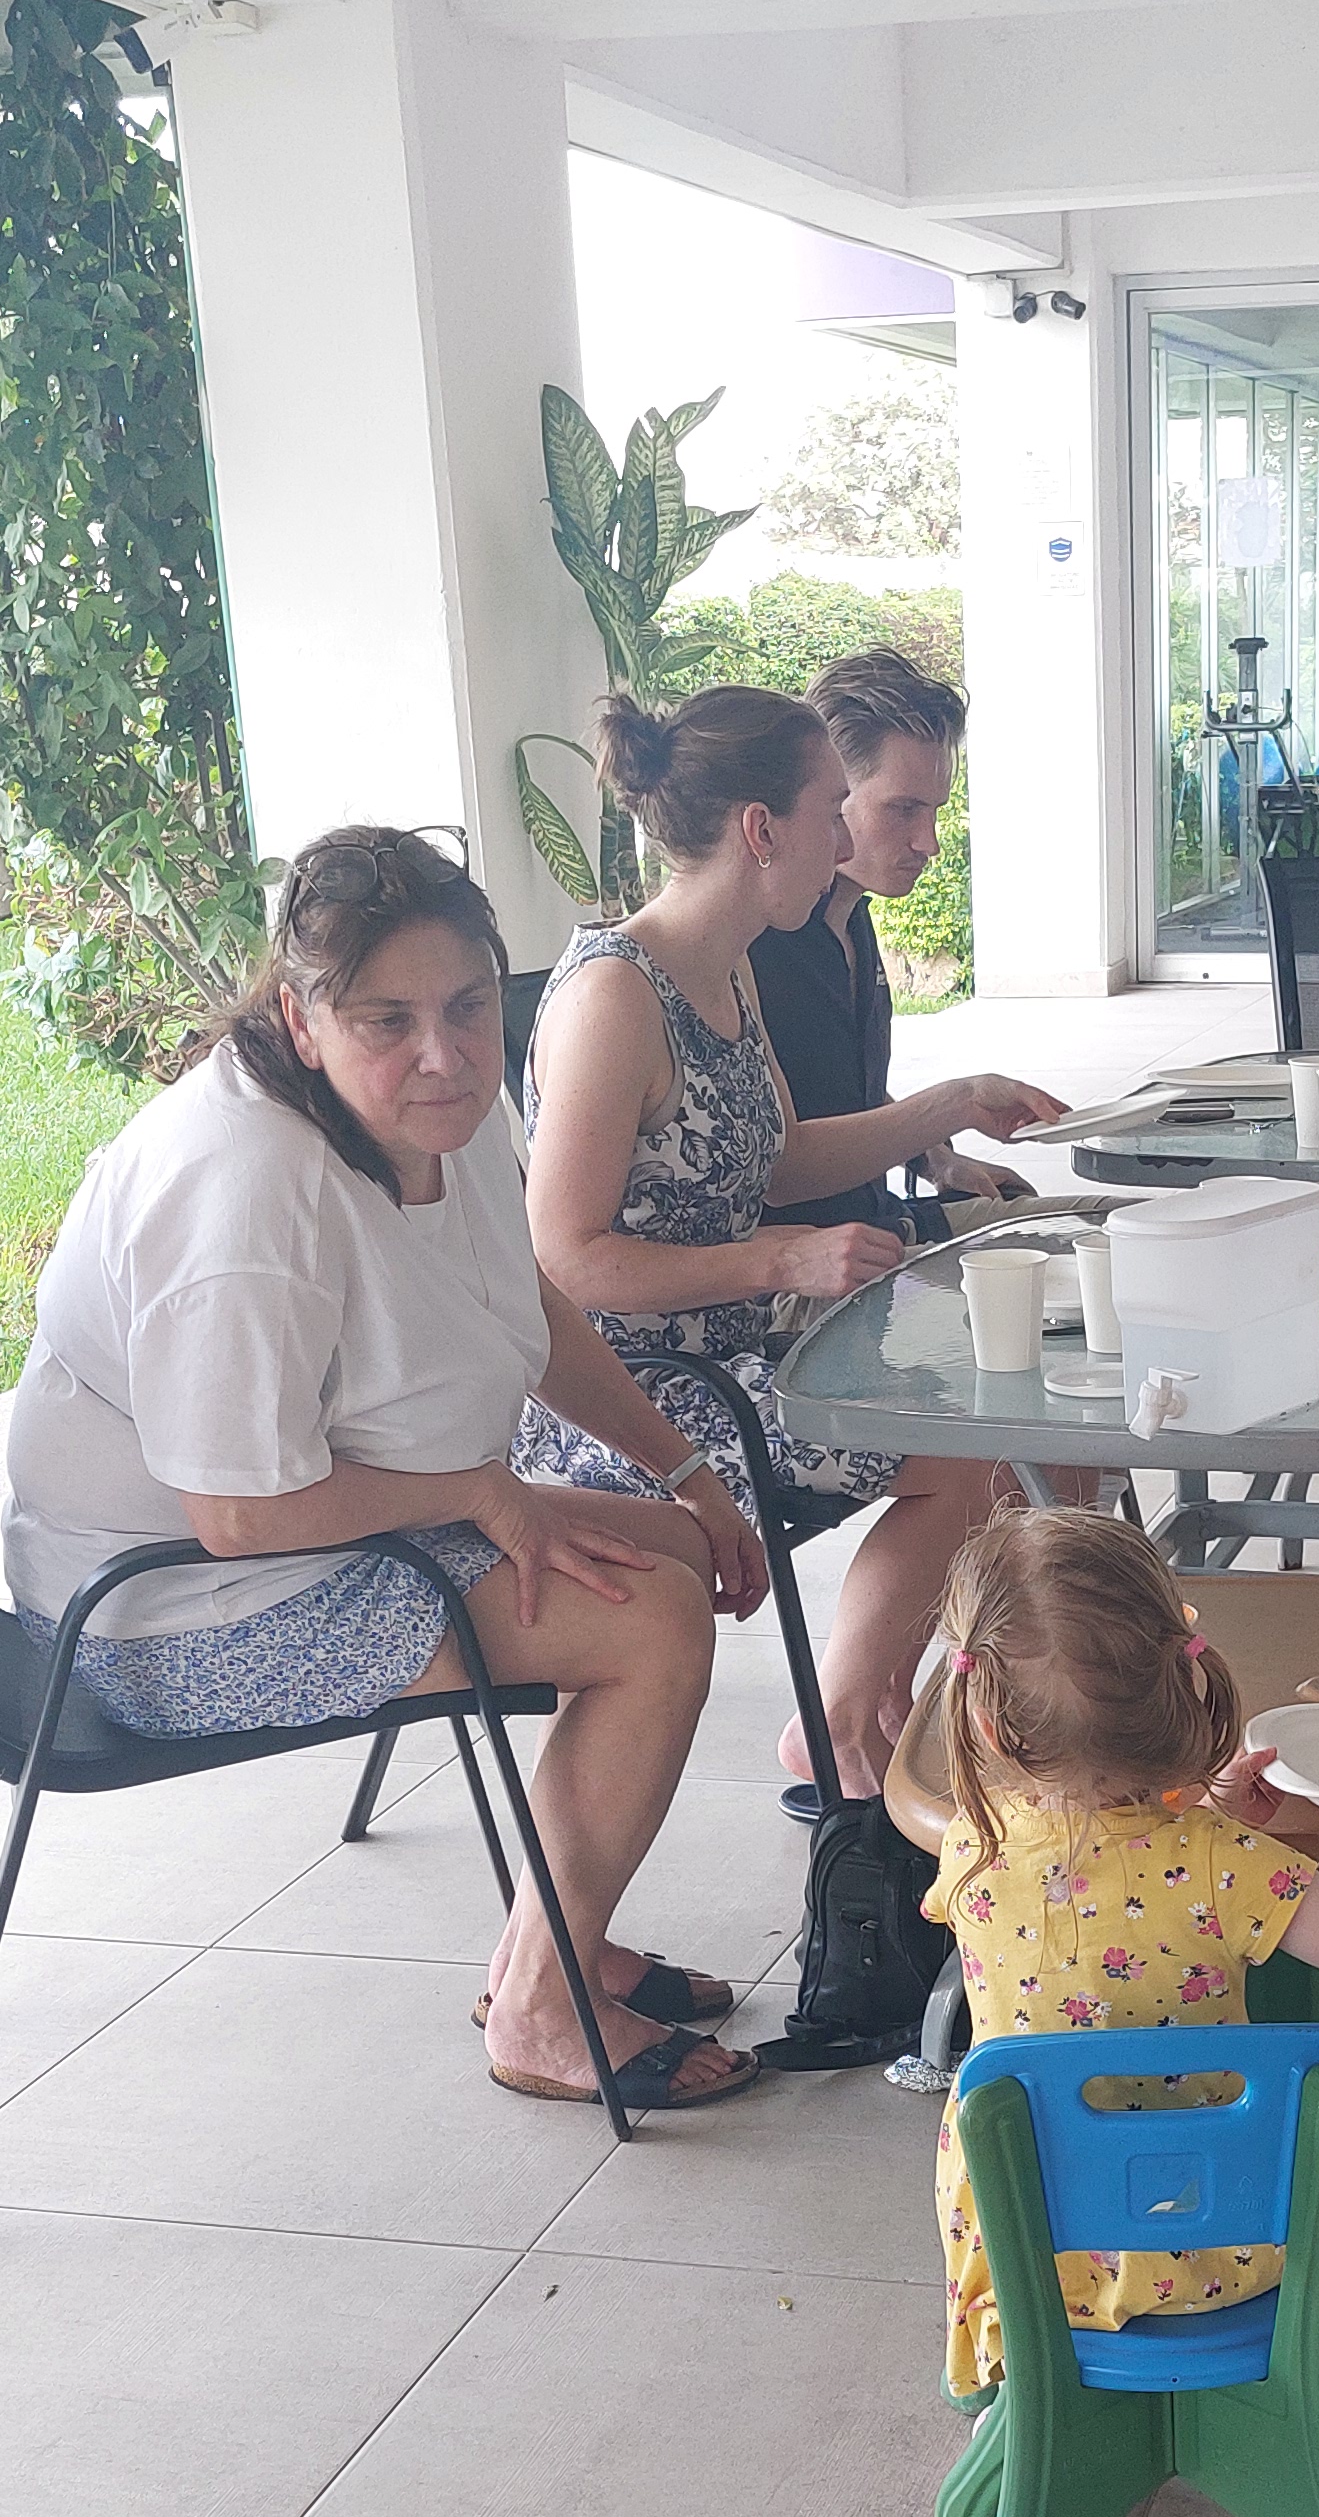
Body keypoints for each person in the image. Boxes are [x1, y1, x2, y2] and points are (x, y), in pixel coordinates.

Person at [1, 826, 769, 2115]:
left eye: (468, 1005)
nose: (445, 1054)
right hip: (168, 1606)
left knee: (681, 1548)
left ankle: (557, 1931)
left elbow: (520, 1300)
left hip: (340, 1519)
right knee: (652, 1622)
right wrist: (478, 1493)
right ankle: (540, 2001)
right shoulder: (242, 1189)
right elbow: (235, 1509)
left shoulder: (437, 1110)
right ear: (301, 1023)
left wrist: (686, 1471)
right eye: (387, 1021)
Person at [517, 685, 1066, 1799]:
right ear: (760, 829)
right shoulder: (615, 996)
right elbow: (563, 1258)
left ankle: (872, 1721)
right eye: (830, 809)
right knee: (969, 1453)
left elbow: (781, 1159)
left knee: (1000, 1420)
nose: (844, 840)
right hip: (632, 1401)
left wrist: (953, 1104)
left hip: (737, 1359)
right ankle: (848, 1737)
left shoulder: (725, 968)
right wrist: (776, 1260)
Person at [923, 1507, 1319, 2473]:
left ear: (984, 1717)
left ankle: (1016, 2389)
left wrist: (1208, 1811)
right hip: (1225, 2231)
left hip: (1033, 2239)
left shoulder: (971, 1840)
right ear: (1179, 1682)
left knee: (990, 2132)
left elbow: (1103, 1891)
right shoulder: (1225, 1866)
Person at [747, 648, 1023, 1238]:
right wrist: (954, 1105)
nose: (929, 843)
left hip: (883, 1227)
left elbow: (846, 1092)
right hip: (815, 1264)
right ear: (828, 791)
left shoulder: (851, 918)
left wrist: (936, 1157)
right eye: (903, 810)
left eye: (935, 812)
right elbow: (780, 1166)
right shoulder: (753, 945)